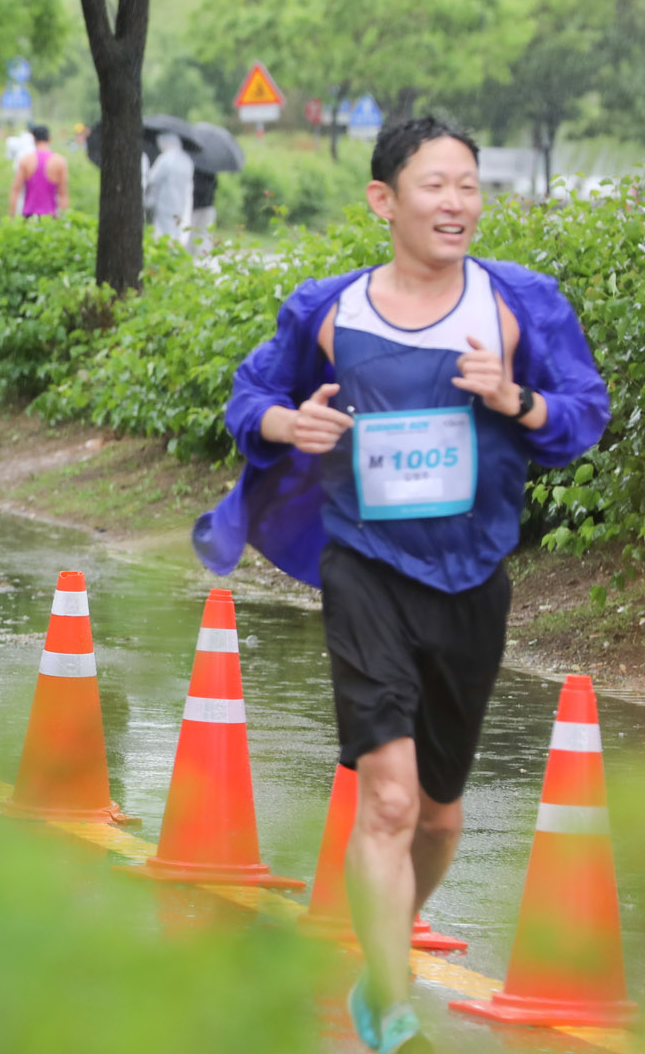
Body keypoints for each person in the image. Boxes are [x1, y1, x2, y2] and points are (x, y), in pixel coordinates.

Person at [193, 118, 609, 1054]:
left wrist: (518, 400)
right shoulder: (330, 310)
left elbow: (583, 414)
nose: (456, 202)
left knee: (438, 811)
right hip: (364, 567)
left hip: (473, 576)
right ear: (384, 200)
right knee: (386, 796)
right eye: (435, 185)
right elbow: (251, 397)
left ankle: (385, 945)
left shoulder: (518, 305)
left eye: (468, 184)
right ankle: (387, 1002)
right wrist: (282, 425)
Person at [8, 124, 68, 217]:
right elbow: (62, 194)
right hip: (51, 216)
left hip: (29, 215)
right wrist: (64, 219)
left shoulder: (25, 160)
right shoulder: (59, 161)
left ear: (34, 139)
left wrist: (12, 216)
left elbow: (16, 190)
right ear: (49, 138)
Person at [189, 168, 219, 258]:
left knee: (191, 235)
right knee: (205, 236)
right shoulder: (211, 170)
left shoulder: (194, 169)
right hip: (208, 206)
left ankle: (191, 260)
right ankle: (203, 261)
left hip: (195, 208)